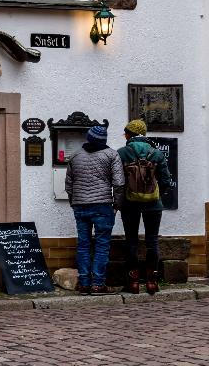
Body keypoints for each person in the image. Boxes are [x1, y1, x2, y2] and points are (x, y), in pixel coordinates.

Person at [65, 123, 124, 294]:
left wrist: (73, 202)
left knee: (83, 245)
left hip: (80, 205)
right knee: (102, 245)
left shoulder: (75, 156)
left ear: (88, 138)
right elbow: (119, 184)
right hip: (103, 205)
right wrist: (116, 205)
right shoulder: (112, 155)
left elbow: (69, 184)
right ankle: (98, 284)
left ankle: (84, 284)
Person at [117, 119, 173, 294]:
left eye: (125, 132)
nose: (124, 135)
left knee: (131, 241)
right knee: (152, 242)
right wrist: (154, 194)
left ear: (130, 134)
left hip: (129, 203)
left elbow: (118, 182)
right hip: (153, 204)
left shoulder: (122, 153)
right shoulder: (156, 153)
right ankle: (151, 282)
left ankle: (133, 282)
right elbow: (165, 181)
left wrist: (121, 199)